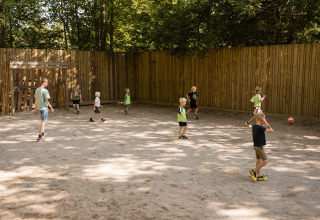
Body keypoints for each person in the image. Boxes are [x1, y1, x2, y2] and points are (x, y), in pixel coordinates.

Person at [250, 112, 273, 181]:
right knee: (265, 161)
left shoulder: (254, 126)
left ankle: (259, 176)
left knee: (258, 161)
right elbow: (271, 130)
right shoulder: (260, 127)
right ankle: (253, 171)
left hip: (256, 146)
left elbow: (252, 135)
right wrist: (266, 123)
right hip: (259, 147)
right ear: (262, 120)